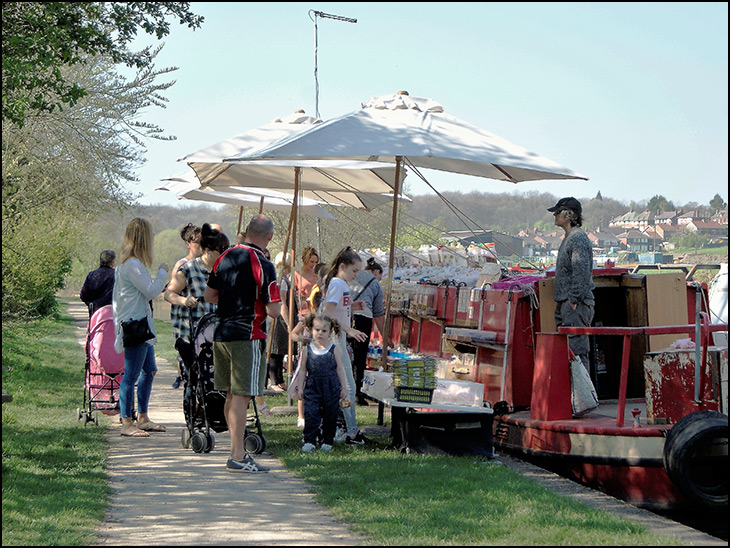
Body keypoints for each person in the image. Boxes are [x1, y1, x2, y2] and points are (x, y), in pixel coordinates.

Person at [204, 214, 281, 473]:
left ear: (246, 231)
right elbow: (273, 310)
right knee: (241, 396)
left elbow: (209, 295)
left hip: (221, 333)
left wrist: (230, 302)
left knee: (230, 394)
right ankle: (237, 456)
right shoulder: (264, 263)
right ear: (269, 236)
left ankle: (235, 452)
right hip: (247, 335)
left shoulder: (223, 257)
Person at [112, 218, 168, 437]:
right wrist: (163, 273)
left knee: (149, 370)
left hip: (142, 325)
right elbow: (152, 291)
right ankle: (127, 422)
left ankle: (142, 417)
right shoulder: (133, 265)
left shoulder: (130, 265)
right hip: (136, 326)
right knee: (131, 375)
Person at [321, 246, 368, 445]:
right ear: (343, 266)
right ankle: (350, 431)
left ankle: (346, 429)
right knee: (346, 385)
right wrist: (348, 330)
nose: (356, 275)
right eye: (354, 271)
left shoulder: (338, 283)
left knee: (344, 385)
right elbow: (327, 312)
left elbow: (336, 308)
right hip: (334, 339)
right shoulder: (338, 284)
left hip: (335, 338)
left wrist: (352, 307)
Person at [290, 313, 350, 453]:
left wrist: (344, 388)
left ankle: (327, 440)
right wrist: (300, 388)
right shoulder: (307, 350)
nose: (320, 333)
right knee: (311, 413)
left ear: (330, 332)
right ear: (311, 330)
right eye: (317, 330)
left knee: (330, 414)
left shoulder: (335, 349)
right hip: (313, 385)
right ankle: (309, 440)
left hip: (331, 386)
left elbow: (340, 369)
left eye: (324, 330)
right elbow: (303, 369)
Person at [548, 197, 596, 371]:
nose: (554, 215)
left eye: (558, 212)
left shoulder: (577, 239)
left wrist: (574, 300)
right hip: (567, 304)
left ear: (568, 215)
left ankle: (582, 397)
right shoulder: (570, 237)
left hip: (575, 305)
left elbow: (581, 272)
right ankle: (573, 396)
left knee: (576, 353)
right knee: (567, 352)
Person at [164, 222, 228, 349]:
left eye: (226, 250)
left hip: (215, 336)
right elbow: (168, 294)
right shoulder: (188, 269)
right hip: (190, 335)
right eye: (220, 250)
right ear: (207, 250)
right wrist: (184, 300)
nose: (224, 254)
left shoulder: (223, 270)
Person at [169, 223, 203, 389]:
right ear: (188, 244)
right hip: (186, 323)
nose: (201, 246)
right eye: (197, 242)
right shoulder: (182, 266)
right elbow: (169, 293)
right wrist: (185, 301)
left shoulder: (207, 265)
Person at [348, 257, 386, 405]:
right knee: (359, 356)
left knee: (344, 353)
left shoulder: (349, 277)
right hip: (363, 319)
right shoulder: (375, 283)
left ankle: (343, 389)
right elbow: (378, 314)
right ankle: (357, 393)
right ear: (376, 272)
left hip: (345, 316)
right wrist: (386, 336)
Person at [267, 252, 295, 393]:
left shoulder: (283, 278)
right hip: (279, 318)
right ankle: (273, 381)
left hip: (281, 317)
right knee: (275, 349)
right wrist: (288, 322)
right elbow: (282, 302)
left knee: (281, 350)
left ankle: (279, 379)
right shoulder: (281, 280)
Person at [80, 249, 116, 317]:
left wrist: (91, 303)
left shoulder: (92, 275)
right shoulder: (117, 275)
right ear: (112, 262)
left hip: (96, 313)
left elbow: (83, 295)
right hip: (114, 314)